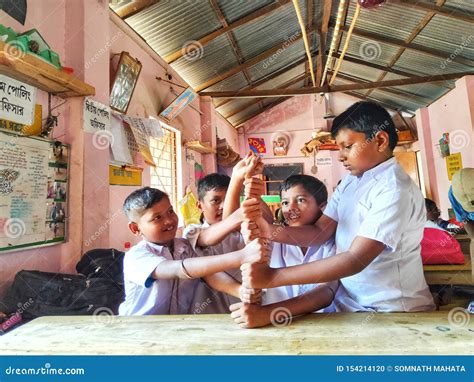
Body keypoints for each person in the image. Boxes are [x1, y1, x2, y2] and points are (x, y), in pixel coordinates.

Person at [240, 101, 435, 313]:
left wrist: (273, 277)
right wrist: (269, 231)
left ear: (379, 140)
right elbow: (318, 232)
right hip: (351, 304)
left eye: (348, 146)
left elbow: (355, 259)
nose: (340, 156)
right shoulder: (352, 180)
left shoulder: (394, 190)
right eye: (339, 147)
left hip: (391, 308)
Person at [118, 187, 270, 315]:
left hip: (176, 327)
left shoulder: (183, 246)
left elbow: (210, 274)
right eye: (157, 218)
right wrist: (241, 256)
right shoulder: (136, 257)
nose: (169, 221)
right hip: (138, 328)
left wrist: (239, 290)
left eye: (170, 211)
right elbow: (179, 269)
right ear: (135, 228)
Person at [230, 175, 340, 328]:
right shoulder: (274, 240)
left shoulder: (331, 242)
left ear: (323, 208)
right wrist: (247, 185)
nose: (291, 208)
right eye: (285, 203)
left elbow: (326, 292)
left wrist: (266, 313)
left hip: (324, 326)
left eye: (301, 200)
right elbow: (239, 217)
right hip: (275, 326)